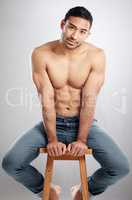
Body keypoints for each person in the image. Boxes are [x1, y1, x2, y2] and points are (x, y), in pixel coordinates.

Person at [2, 6, 130, 200]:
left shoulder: (96, 56)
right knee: (11, 163)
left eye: (82, 31)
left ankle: (83, 191)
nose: (74, 35)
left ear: (88, 33)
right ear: (63, 25)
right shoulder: (41, 53)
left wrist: (82, 139)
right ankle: (47, 189)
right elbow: (46, 99)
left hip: (83, 124)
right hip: (51, 124)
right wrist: (52, 139)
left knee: (120, 167)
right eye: (71, 27)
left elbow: (89, 101)